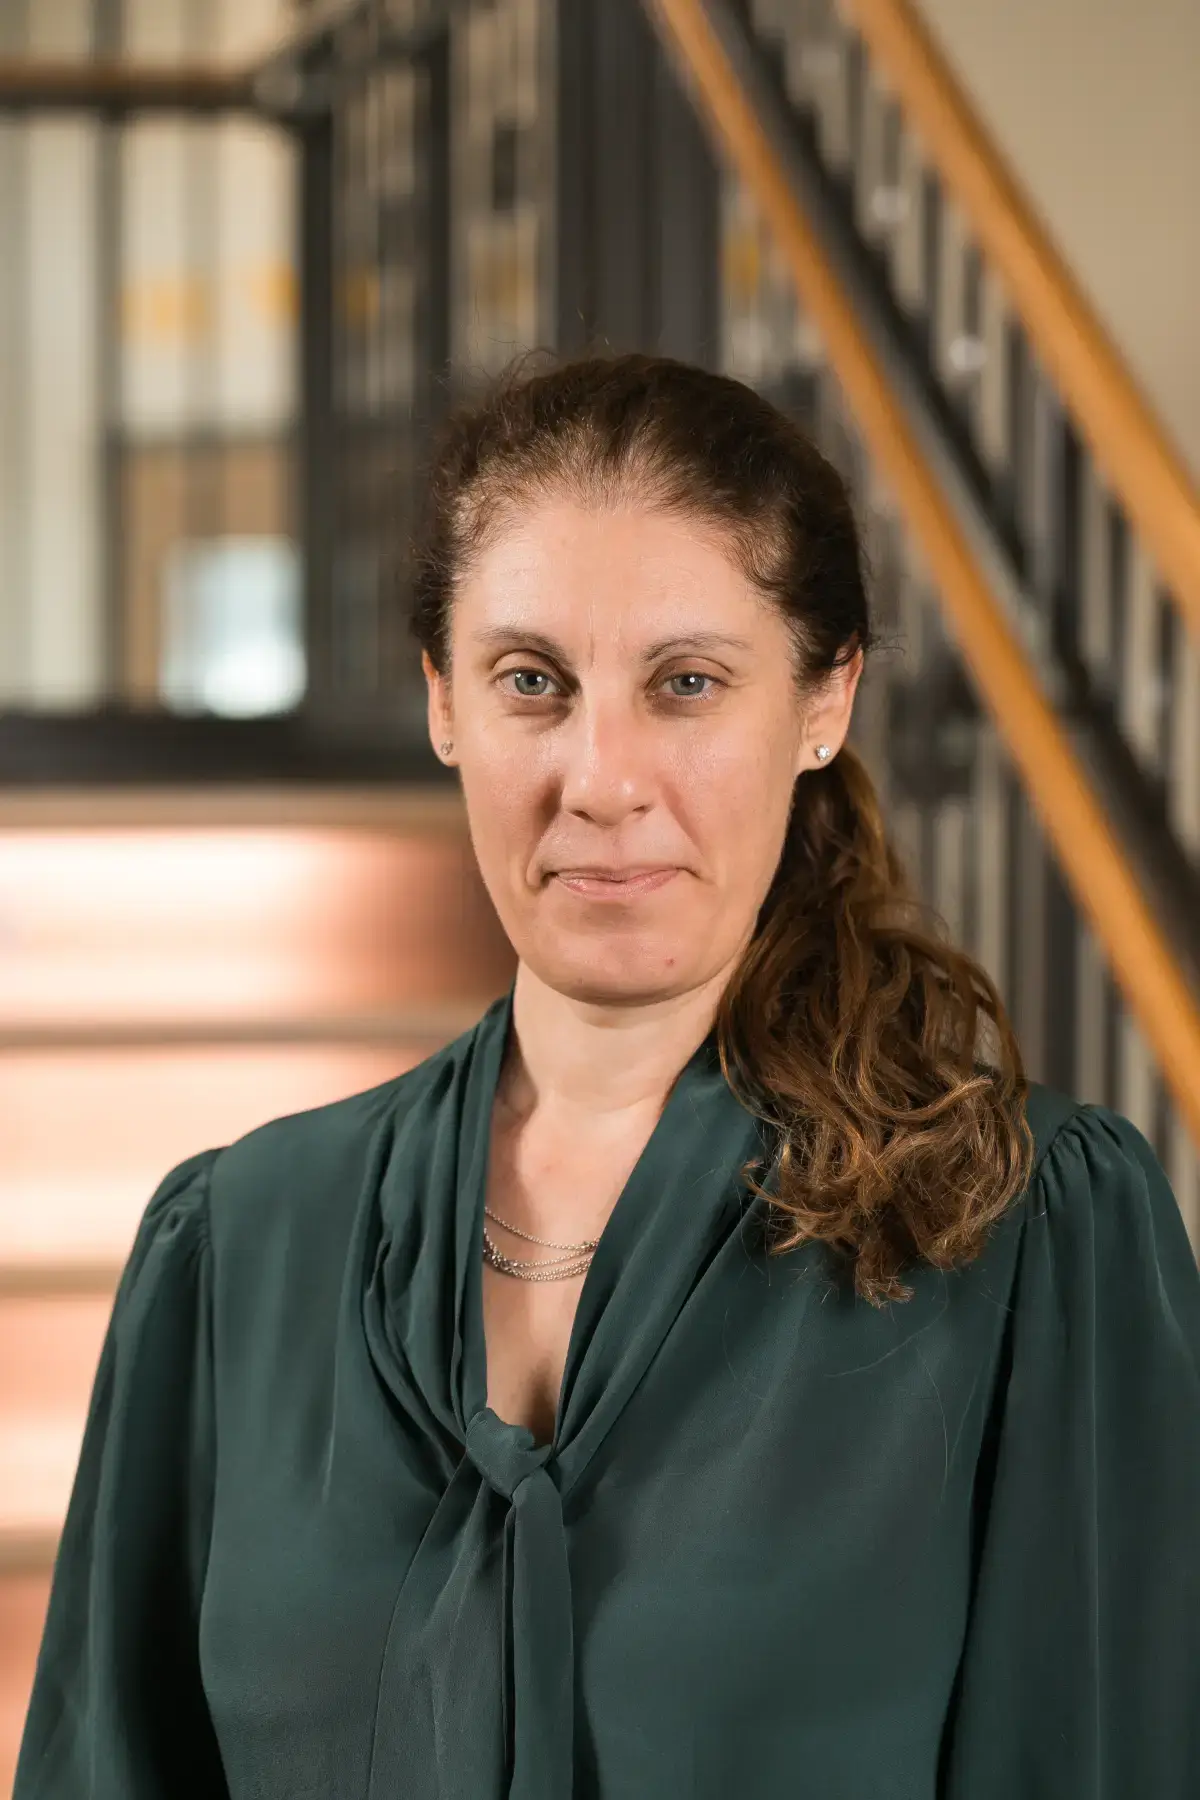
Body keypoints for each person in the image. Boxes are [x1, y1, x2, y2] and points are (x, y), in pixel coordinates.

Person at [15, 352, 1200, 1800]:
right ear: (446, 703)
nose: (602, 775)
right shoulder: (236, 1246)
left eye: (687, 684)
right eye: (533, 682)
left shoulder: (1028, 1240)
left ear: (826, 701)